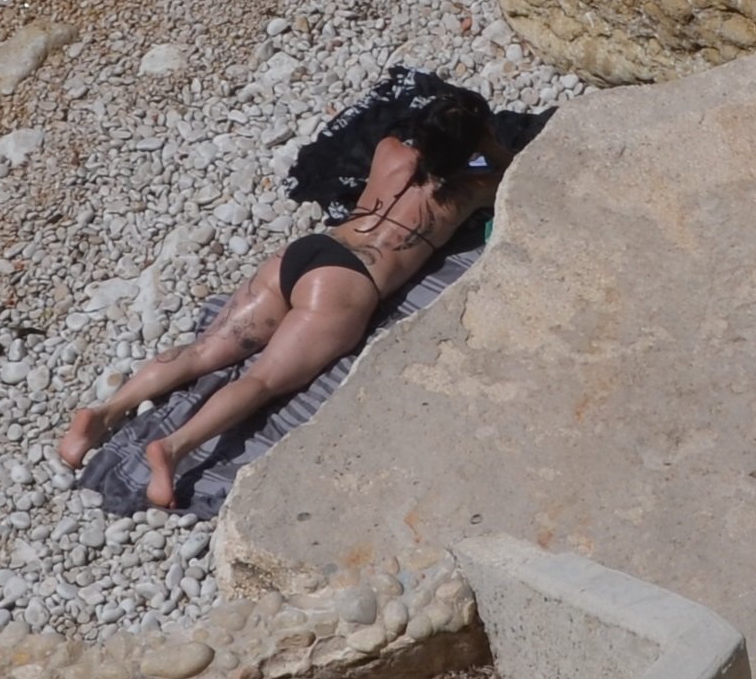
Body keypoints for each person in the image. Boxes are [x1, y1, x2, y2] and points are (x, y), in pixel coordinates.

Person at [51, 71, 532, 514]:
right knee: (259, 382)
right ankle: (172, 450)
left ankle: (101, 414)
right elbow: (515, 166)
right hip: (346, 285)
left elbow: (414, 141)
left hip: (306, 253)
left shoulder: (389, 152)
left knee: (203, 353)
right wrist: (485, 145)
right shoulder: (477, 185)